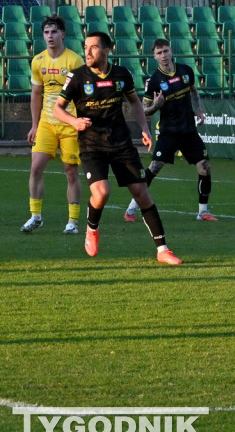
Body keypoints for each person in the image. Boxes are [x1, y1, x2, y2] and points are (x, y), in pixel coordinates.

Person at [51, 31, 182, 265]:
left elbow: (133, 102)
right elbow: (57, 108)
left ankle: (163, 249)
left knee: (142, 193)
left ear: (107, 50)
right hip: (91, 144)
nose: (87, 52)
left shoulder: (122, 74)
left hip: (121, 143)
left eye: (93, 47)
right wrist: (74, 121)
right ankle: (92, 228)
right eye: (85, 47)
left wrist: (144, 127)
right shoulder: (78, 76)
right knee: (101, 193)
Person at [124, 38, 216, 222]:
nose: (163, 56)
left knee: (204, 167)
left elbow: (193, 92)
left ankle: (203, 212)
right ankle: (131, 209)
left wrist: (199, 109)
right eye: (159, 53)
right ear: (154, 56)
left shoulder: (186, 71)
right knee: (155, 167)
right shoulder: (154, 81)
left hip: (189, 130)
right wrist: (156, 106)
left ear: (171, 51)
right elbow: (144, 109)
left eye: (165, 51)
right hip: (169, 131)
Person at [22, 16, 85, 235]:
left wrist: (79, 123)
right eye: (47, 32)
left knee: (70, 172)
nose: (50, 36)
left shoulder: (75, 61)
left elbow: (81, 96)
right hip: (47, 123)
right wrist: (34, 125)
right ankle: (36, 216)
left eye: (54, 32)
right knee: (35, 167)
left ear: (63, 34)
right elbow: (36, 94)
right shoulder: (38, 61)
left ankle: (73, 221)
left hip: (69, 124)